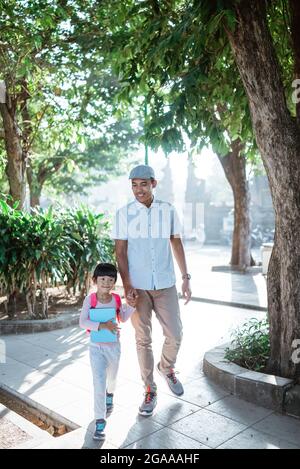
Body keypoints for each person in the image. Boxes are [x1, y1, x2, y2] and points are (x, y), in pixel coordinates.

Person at [112, 164, 192, 417]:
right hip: (138, 287)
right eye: (134, 185)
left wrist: (185, 277)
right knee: (142, 339)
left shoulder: (167, 210)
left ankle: (166, 368)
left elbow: (176, 242)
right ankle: (149, 389)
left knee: (175, 334)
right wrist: (127, 286)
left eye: (143, 184)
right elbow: (120, 252)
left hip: (165, 283)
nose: (138, 190)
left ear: (153, 184)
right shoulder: (124, 214)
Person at [79, 263, 135, 440]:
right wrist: (102, 325)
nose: (106, 283)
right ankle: (100, 421)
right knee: (99, 383)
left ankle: (110, 395)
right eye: (102, 279)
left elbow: (123, 318)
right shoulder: (91, 299)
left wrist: (132, 305)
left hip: (114, 348)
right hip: (96, 349)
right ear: (95, 280)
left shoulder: (117, 299)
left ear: (114, 282)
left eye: (111, 280)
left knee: (111, 379)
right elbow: (83, 322)